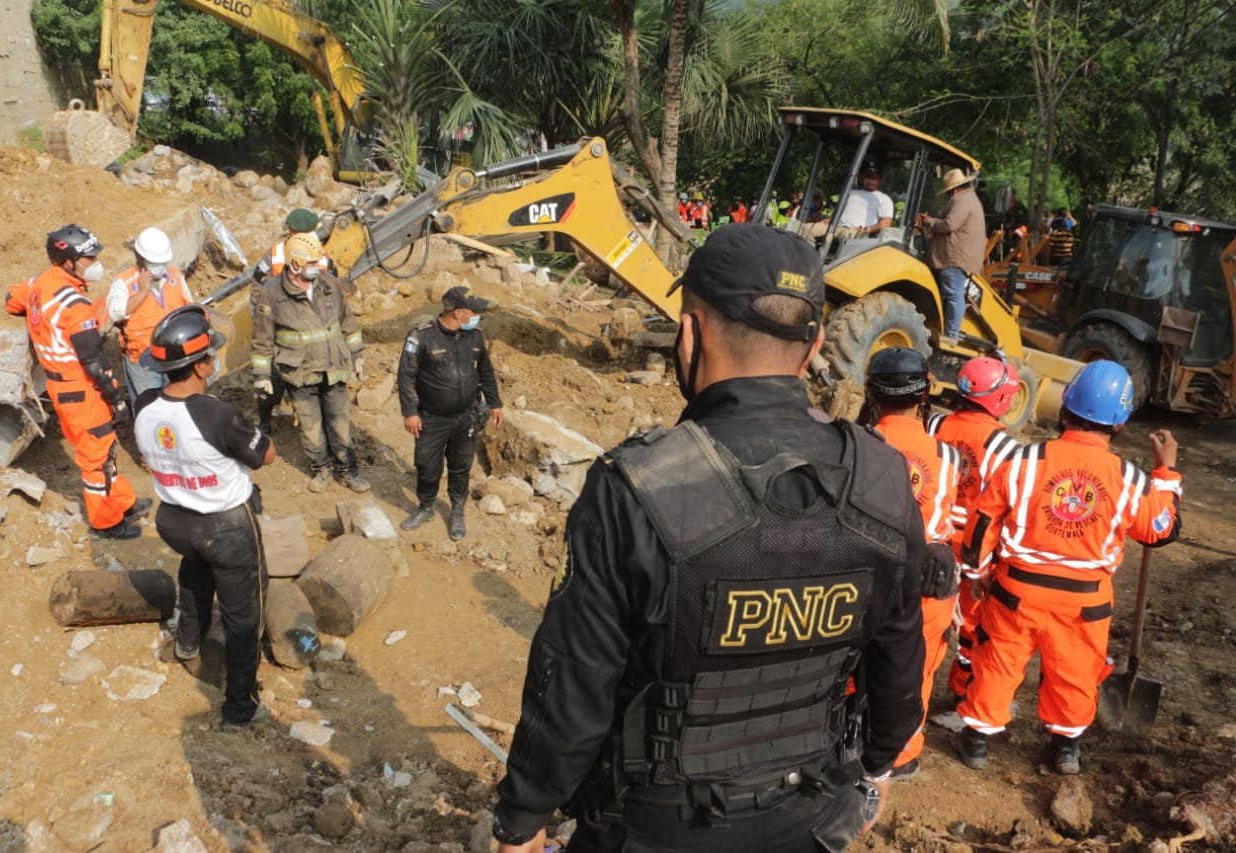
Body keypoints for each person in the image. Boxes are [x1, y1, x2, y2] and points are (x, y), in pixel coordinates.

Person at [491, 223, 926, 853]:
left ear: (689, 333)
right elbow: (898, 650)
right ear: (815, 346)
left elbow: (575, 680)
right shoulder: (882, 478)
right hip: (811, 816)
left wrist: (523, 816)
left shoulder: (636, 486)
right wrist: (878, 762)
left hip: (652, 826)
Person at [955, 360, 1181, 775]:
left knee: (998, 663)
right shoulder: (1130, 479)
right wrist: (1165, 473)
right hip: (1085, 604)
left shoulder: (1023, 461)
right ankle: (1065, 749)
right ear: (1119, 424)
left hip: (1015, 592)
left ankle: (977, 741)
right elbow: (1161, 529)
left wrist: (978, 572)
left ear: (1064, 409)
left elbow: (982, 521)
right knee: (1075, 672)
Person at [135, 305, 275, 731]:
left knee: (195, 575)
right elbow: (265, 454)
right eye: (211, 356)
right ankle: (239, 707)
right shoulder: (214, 414)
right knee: (244, 612)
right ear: (199, 365)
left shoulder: (144, 405)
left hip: (175, 521)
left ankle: (187, 645)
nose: (215, 361)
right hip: (226, 527)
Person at [6, 224, 147, 539]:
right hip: (81, 389)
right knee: (96, 458)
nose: (95, 263)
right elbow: (95, 363)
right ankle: (106, 523)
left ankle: (124, 502)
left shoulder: (40, 283)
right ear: (68, 260)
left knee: (103, 449)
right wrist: (116, 398)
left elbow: (11, 301)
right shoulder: (75, 305)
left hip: (61, 387)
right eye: (89, 258)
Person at [862, 347, 961, 782]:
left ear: (872, 392)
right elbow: (953, 520)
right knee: (915, 669)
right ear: (924, 393)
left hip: (865, 573)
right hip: (925, 582)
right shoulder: (948, 457)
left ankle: (848, 744)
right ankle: (901, 754)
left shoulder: (858, 444)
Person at [925, 357, 1022, 702]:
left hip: (929, 539)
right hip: (974, 551)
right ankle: (961, 689)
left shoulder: (934, 424)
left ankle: (913, 682)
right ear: (1002, 398)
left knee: (920, 619)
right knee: (972, 626)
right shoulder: (1007, 448)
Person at [250, 232, 369, 494]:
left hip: (333, 367)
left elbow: (347, 323)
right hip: (299, 373)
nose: (320, 268)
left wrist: (357, 354)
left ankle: (348, 470)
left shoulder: (331, 285)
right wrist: (262, 376)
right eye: (314, 264)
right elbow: (261, 341)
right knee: (311, 427)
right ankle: (321, 469)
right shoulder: (271, 295)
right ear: (294, 264)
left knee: (340, 424)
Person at [397, 286, 504, 541]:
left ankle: (457, 511)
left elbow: (486, 372)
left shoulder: (475, 337)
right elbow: (406, 376)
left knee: (460, 466)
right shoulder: (422, 336)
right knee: (427, 465)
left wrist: (495, 402)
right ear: (458, 313)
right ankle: (425, 507)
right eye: (474, 311)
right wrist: (410, 412)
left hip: (466, 416)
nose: (478, 315)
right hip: (431, 418)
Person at [250, 208, 332, 433]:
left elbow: (331, 292)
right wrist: (260, 319)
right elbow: (257, 286)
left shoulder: (321, 257)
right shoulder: (275, 255)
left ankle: (305, 417)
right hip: (279, 330)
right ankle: (265, 420)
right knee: (272, 381)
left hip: (308, 333)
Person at [105, 227, 195, 408]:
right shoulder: (124, 282)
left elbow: (189, 308)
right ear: (141, 258)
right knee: (150, 409)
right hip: (143, 363)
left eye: (163, 262)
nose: (160, 267)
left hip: (174, 357)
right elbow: (116, 312)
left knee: (178, 406)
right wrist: (143, 291)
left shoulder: (175, 276)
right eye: (155, 262)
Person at [917, 168, 987, 342]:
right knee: (953, 295)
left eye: (948, 192)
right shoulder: (968, 199)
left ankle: (951, 338)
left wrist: (929, 222)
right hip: (958, 257)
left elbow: (949, 225)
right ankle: (949, 334)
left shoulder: (961, 200)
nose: (948, 195)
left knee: (953, 295)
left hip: (953, 257)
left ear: (954, 189)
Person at [836, 156, 894, 237]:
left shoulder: (884, 199)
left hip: (857, 232)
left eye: (873, 178)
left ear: (879, 181)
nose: (870, 181)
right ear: (863, 178)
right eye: (868, 177)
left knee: (846, 235)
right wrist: (829, 220)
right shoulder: (851, 192)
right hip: (836, 227)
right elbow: (839, 211)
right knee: (812, 228)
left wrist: (867, 229)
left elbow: (885, 223)